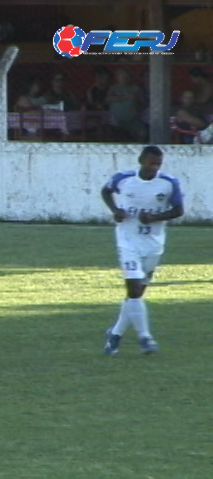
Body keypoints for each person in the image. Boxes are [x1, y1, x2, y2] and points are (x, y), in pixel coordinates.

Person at [101, 145, 184, 355]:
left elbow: (178, 210)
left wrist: (155, 217)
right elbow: (105, 191)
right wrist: (115, 211)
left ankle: (115, 335)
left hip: (154, 244)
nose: (153, 167)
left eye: (157, 164)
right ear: (141, 161)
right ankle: (145, 338)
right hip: (128, 241)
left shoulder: (168, 183)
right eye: (151, 163)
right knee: (135, 289)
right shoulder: (123, 179)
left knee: (135, 295)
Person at [105, 68, 146, 142]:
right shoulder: (113, 88)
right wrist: (124, 97)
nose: (125, 78)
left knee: (142, 132)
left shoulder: (135, 88)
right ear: (117, 78)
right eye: (122, 76)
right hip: (116, 120)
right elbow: (108, 100)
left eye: (127, 76)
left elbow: (142, 102)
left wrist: (137, 105)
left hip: (132, 119)